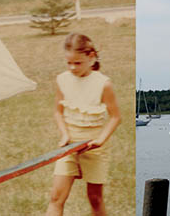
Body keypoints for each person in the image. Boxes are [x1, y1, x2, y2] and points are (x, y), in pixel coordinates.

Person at [45, 33, 122, 216]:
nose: (72, 67)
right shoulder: (62, 80)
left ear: (91, 57)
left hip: (94, 147)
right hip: (69, 146)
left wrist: (100, 140)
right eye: (68, 63)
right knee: (56, 197)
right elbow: (58, 112)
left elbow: (115, 117)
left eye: (77, 63)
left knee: (95, 198)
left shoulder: (103, 84)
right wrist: (64, 135)